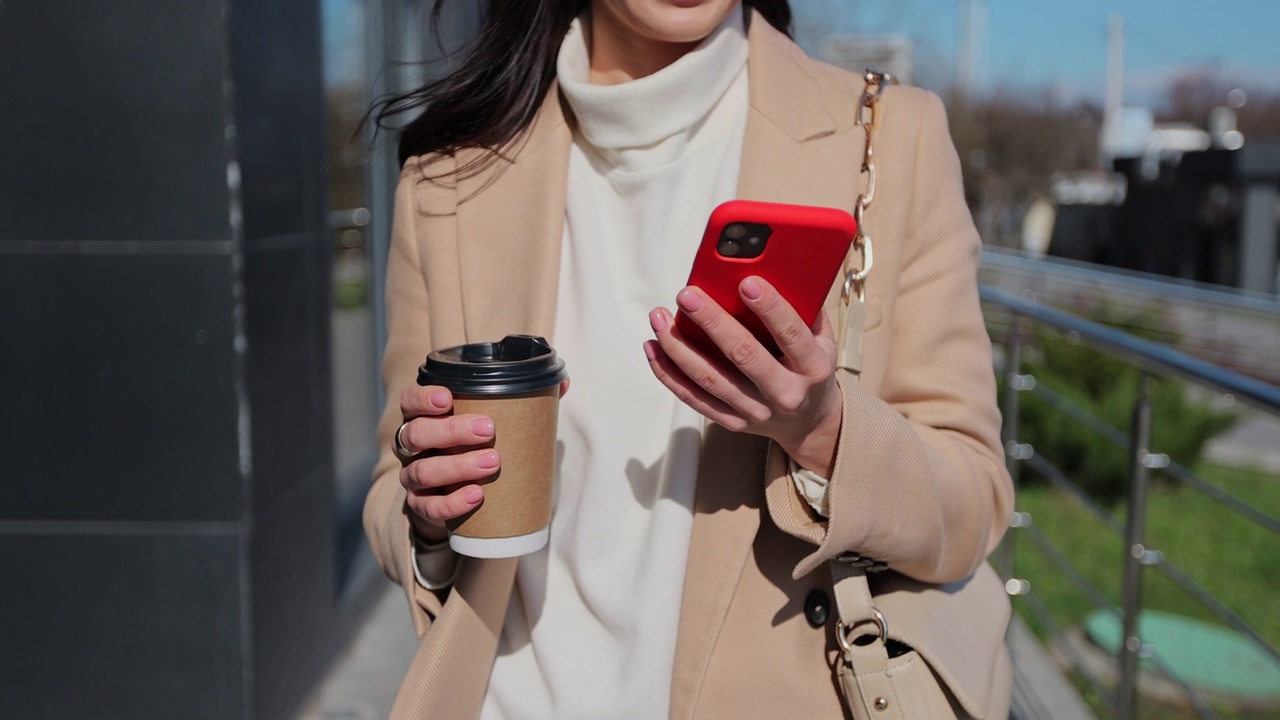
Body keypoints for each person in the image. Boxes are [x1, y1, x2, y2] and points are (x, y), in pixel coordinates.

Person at [363, 1, 1016, 718]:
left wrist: (823, 431)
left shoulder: (890, 137)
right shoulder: (446, 177)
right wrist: (429, 513)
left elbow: (974, 504)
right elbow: (396, 485)